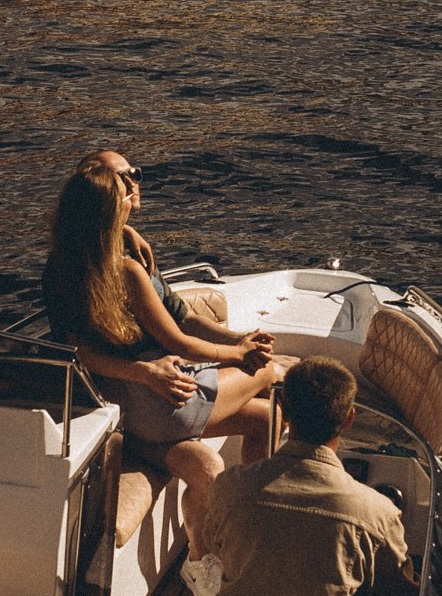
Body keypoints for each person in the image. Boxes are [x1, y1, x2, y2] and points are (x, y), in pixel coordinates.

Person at [42, 150, 286, 568]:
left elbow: (76, 347)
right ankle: (256, 526)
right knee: (275, 373)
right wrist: (242, 353)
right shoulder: (128, 271)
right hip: (162, 405)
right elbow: (183, 340)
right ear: (113, 203)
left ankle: (203, 552)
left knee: (262, 421)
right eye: (127, 178)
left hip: (128, 411)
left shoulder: (65, 265)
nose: (137, 181)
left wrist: (237, 341)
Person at [206, 358, 412, 596]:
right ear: (349, 418)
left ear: (285, 414)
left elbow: (216, 546)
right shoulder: (378, 513)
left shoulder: (228, 489)